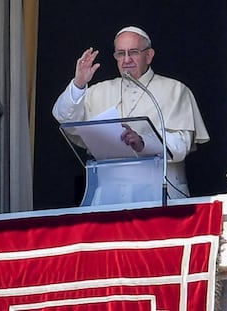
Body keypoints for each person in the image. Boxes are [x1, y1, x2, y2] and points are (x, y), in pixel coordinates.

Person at [52, 26, 209, 200]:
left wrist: (144, 143)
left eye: (133, 52)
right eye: (120, 54)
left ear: (148, 56)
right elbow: (65, 118)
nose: (126, 60)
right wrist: (79, 83)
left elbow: (182, 144)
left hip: (159, 194)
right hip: (109, 197)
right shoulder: (99, 91)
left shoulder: (175, 90)